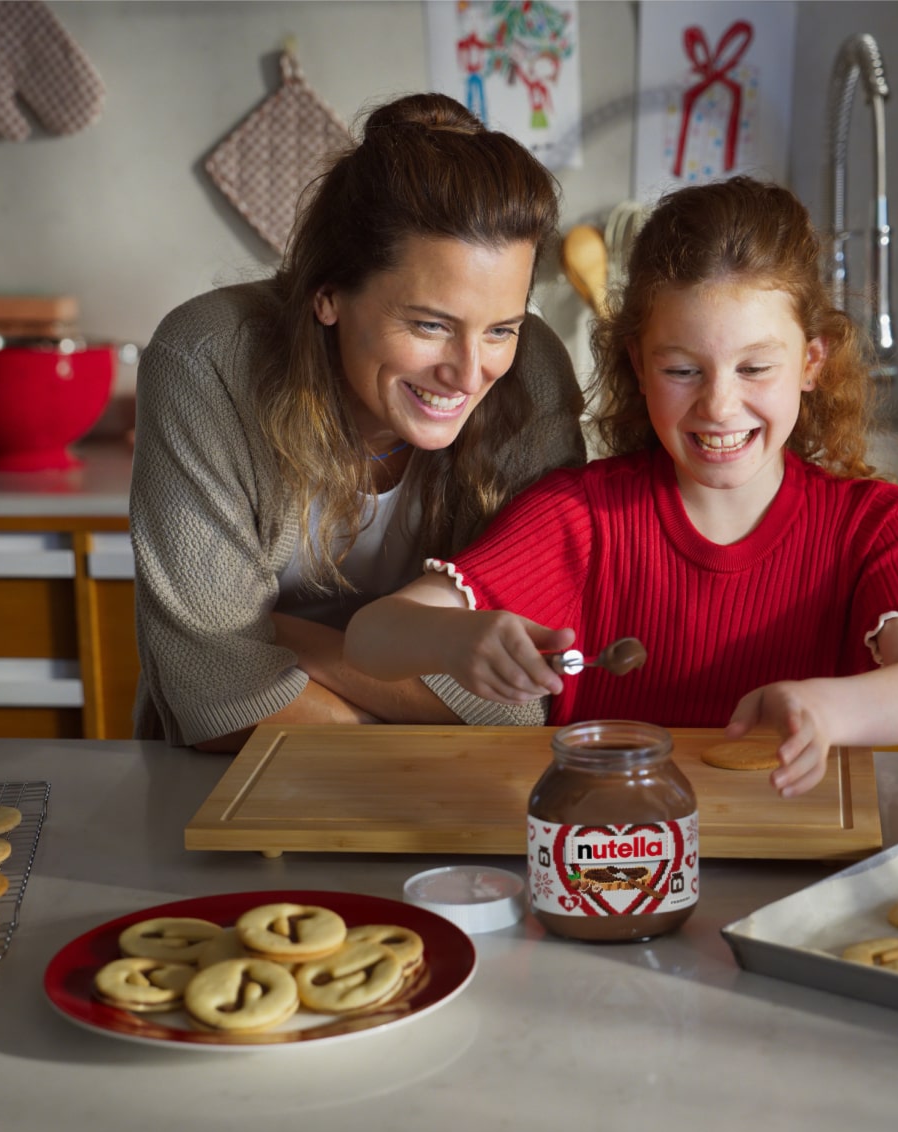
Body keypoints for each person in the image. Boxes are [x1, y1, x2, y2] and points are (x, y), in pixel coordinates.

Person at [346, 178, 898, 796]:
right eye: (682, 370)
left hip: (801, 850)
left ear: (811, 362)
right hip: (610, 849)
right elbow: (372, 635)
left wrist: (826, 711)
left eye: (754, 367)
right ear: (638, 366)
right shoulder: (582, 517)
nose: (719, 405)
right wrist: (457, 637)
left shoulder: (867, 522)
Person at [130, 94, 584, 752]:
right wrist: (417, 704)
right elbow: (214, 698)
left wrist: (282, 634)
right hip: (222, 791)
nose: (468, 372)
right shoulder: (207, 363)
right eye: (430, 325)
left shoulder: (533, 371)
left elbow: (521, 707)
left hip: (453, 796)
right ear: (329, 294)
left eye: (500, 329)